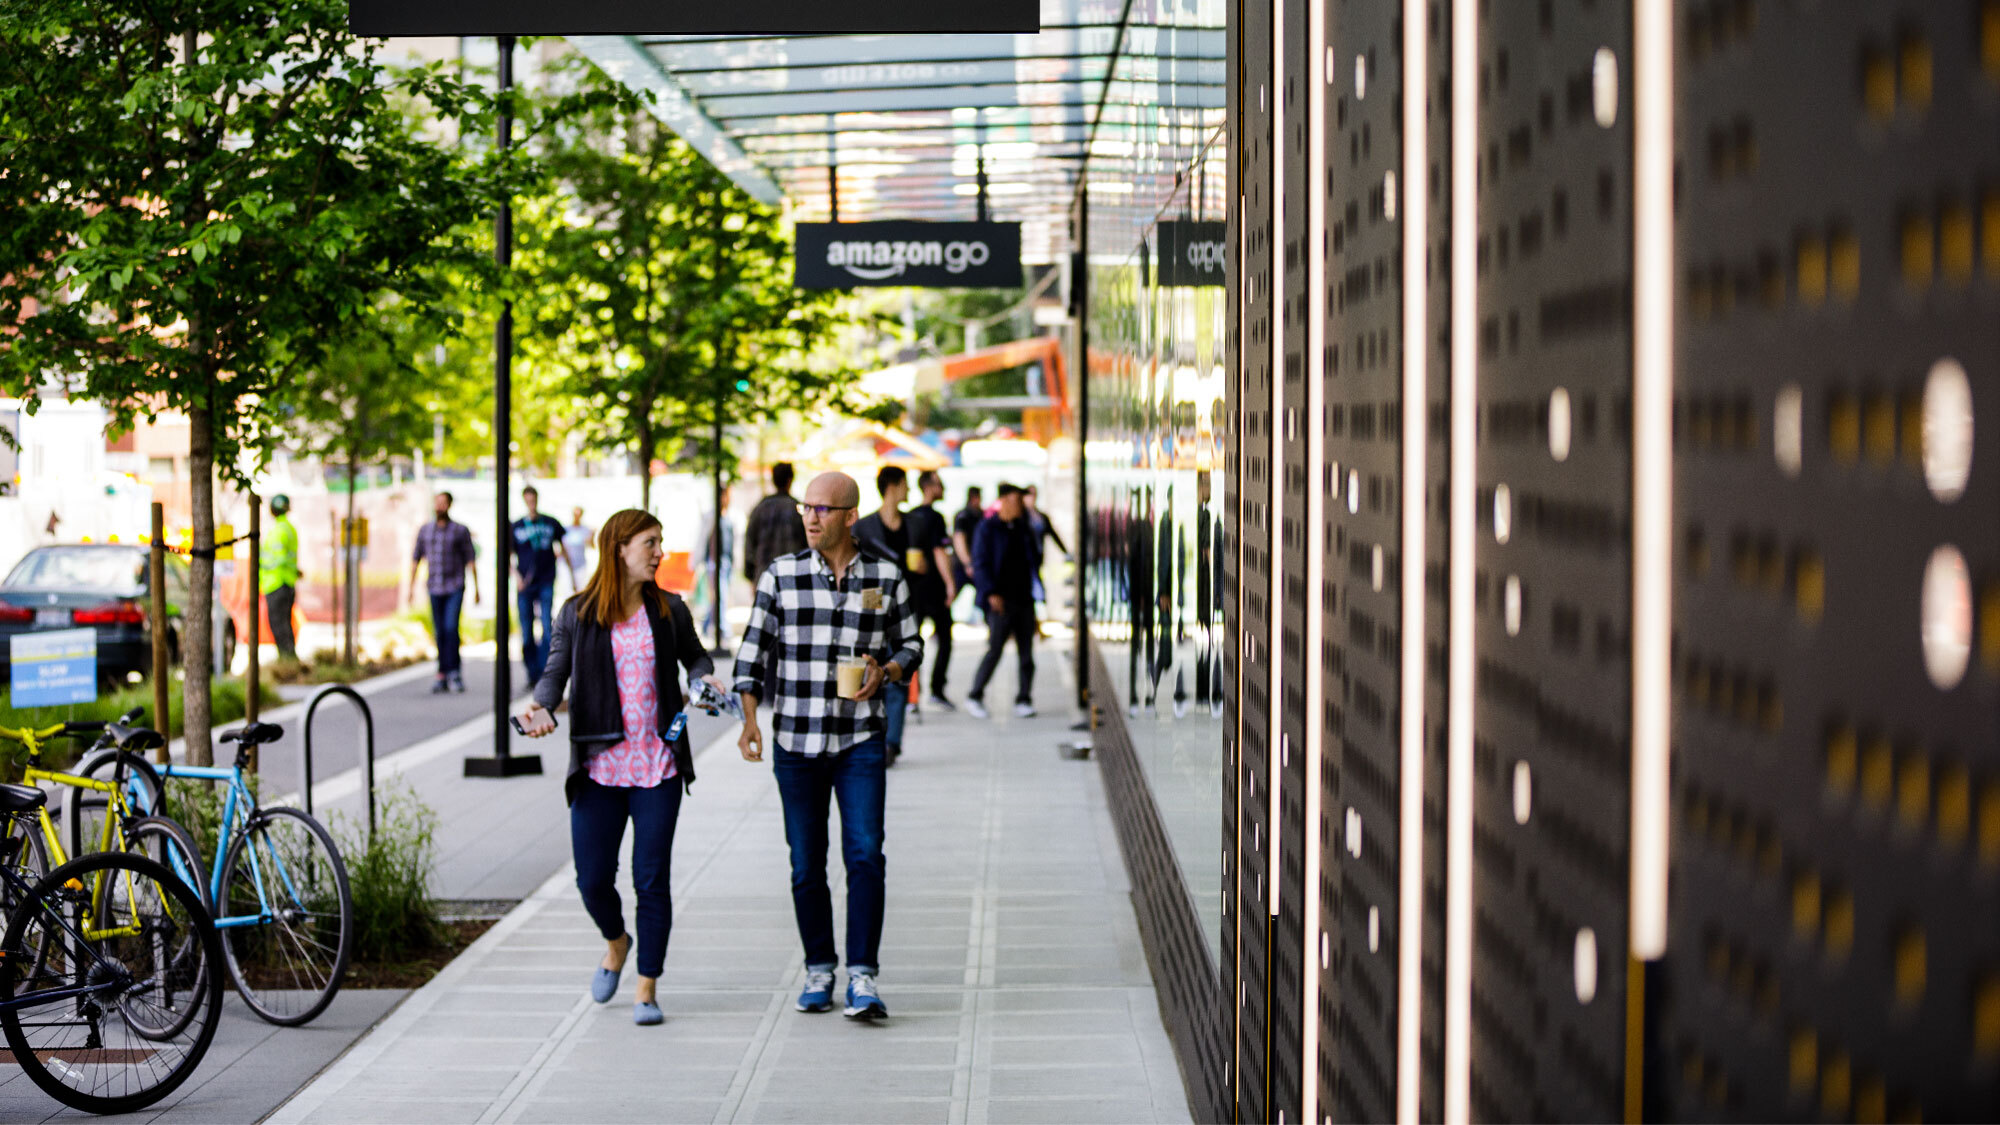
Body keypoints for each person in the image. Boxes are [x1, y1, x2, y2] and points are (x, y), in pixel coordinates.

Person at [517, 509, 721, 1027]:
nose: (658, 552)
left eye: (660, 541)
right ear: (619, 548)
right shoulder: (577, 613)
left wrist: (701, 683)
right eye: (650, 543)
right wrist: (540, 708)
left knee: (651, 879)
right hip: (598, 769)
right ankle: (616, 942)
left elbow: (697, 659)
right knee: (592, 881)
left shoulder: (669, 609)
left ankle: (646, 988)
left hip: (659, 766)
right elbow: (554, 673)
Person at [731, 471, 921, 1023]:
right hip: (796, 742)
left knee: (865, 855)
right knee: (805, 863)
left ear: (849, 516)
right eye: (805, 508)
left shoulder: (885, 576)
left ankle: (862, 975)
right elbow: (751, 655)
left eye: (822, 509)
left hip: (861, 738)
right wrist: (749, 722)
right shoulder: (781, 576)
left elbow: (911, 642)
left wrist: (886, 669)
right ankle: (820, 967)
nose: (810, 518)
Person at [852, 465, 917, 761]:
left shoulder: (913, 524)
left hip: (907, 606)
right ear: (892, 486)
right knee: (872, 669)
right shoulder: (864, 528)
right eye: (905, 484)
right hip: (874, 609)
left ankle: (892, 742)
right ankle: (872, 735)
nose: (908, 490)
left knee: (901, 669)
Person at [965, 483, 1041, 719]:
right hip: (1000, 601)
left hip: (1024, 599)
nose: (1022, 505)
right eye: (1018, 500)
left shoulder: (1023, 527)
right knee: (995, 650)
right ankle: (975, 695)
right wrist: (990, 593)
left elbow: (1033, 560)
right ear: (1006, 500)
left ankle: (1024, 698)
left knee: (1026, 653)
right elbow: (980, 563)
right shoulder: (987, 528)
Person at [409, 491, 480, 694]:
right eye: (437, 503)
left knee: (451, 628)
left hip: (454, 586)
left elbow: (470, 559)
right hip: (434, 587)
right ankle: (442, 672)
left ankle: (454, 672)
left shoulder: (459, 530)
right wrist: (411, 587)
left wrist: (477, 588)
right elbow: (416, 558)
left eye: (443, 503)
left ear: (449, 506)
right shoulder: (425, 530)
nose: (439, 507)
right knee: (439, 631)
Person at [904, 471, 958, 710]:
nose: (943, 487)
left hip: (913, 589)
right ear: (928, 486)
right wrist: (950, 583)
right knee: (945, 638)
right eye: (939, 483)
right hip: (934, 588)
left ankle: (912, 696)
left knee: (913, 642)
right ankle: (937, 689)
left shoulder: (909, 516)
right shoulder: (935, 517)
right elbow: (939, 552)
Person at [512, 485, 569, 691]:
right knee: (526, 630)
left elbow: (563, 548)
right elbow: (508, 556)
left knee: (547, 625)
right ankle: (532, 672)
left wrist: (570, 573)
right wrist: (517, 577)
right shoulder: (517, 526)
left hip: (545, 579)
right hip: (525, 584)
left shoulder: (550, 522)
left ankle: (546, 670)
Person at [743, 461, 807, 585]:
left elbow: (749, 542)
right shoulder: (798, 508)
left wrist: (750, 573)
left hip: (764, 575)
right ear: (790, 480)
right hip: (793, 575)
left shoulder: (760, 508)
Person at [259, 493, 302, 663]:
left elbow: (276, 559)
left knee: (278, 625)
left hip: (276, 583)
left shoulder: (278, 531)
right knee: (284, 624)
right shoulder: (289, 528)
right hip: (286, 582)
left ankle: (287, 659)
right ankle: (289, 659)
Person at [949, 485, 984, 616]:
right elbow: (959, 539)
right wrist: (967, 563)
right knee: (952, 594)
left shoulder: (978, 515)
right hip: (964, 564)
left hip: (973, 563)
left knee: (986, 594)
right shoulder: (964, 516)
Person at [562, 507, 593, 597]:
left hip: (580, 564)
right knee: (568, 591)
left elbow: (591, 545)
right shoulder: (566, 529)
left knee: (580, 591)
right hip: (566, 564)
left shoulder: (585, 530)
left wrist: (592, 535)